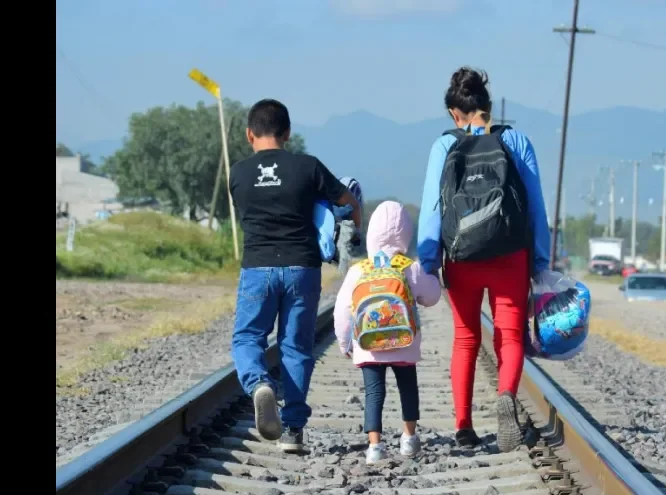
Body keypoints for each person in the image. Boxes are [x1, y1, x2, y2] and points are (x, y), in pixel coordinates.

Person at [417, 67, 551, 452]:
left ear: (454, 115)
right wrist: (540, 262)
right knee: (510, 337)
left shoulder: (444, 146)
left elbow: (432, 208)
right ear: (489, 108)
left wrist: (430, 261)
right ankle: (506, 394)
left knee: (465, 339)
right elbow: (536, 208)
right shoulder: (517, 141)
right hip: (510, 255)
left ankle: (463, 426)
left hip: (462, 257)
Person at [229, 99, 362, 452]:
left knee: (247, 338)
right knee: (296, 348)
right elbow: (348, 202)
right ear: (287, 133)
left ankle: (259, 384)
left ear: (249, 134)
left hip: (257, 267)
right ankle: (293, 431)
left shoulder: (238, 173)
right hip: (302, 268)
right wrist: (352, 228)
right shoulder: (308, 167)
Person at [333, 201, 442, 463]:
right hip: (404, 343)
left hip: (369, 345)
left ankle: (375, 447)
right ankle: (409, 439)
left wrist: (344, 343)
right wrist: (433, 275)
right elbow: (432, 296)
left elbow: (342, 311)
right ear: (405, 233)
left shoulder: (359, 270)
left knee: (374, 393)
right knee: (408, 388)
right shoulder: (408, 266)